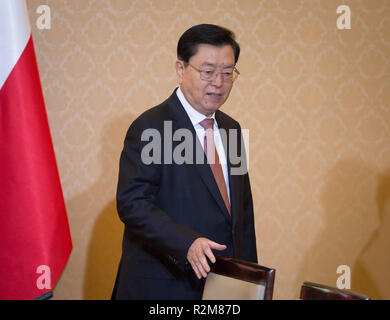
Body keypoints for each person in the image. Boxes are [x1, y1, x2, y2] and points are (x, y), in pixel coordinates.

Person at [111, 24, 257, 300]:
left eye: (228, 73)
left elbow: (242, 217)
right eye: (208, 72)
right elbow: (133, 204)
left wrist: (249, 281)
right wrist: (186, 243)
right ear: (180, 69)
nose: (219, 82)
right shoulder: (150, 127)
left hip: (221, 288)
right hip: (163, 285)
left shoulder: (233, 130)